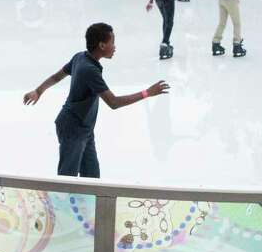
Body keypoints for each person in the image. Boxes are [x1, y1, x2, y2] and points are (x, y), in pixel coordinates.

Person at [23, 22, 168, 178]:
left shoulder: (80, 57)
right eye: (112, 42)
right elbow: (114, 102)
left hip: (85, 128)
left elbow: (57, 76)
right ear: (102, 45)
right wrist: (147, 93)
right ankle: (63, 202)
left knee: (92, 178)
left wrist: (39, 90)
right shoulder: (89, 70)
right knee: (67, 179)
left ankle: (86, 202)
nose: (115, 47)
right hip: (73, 128)